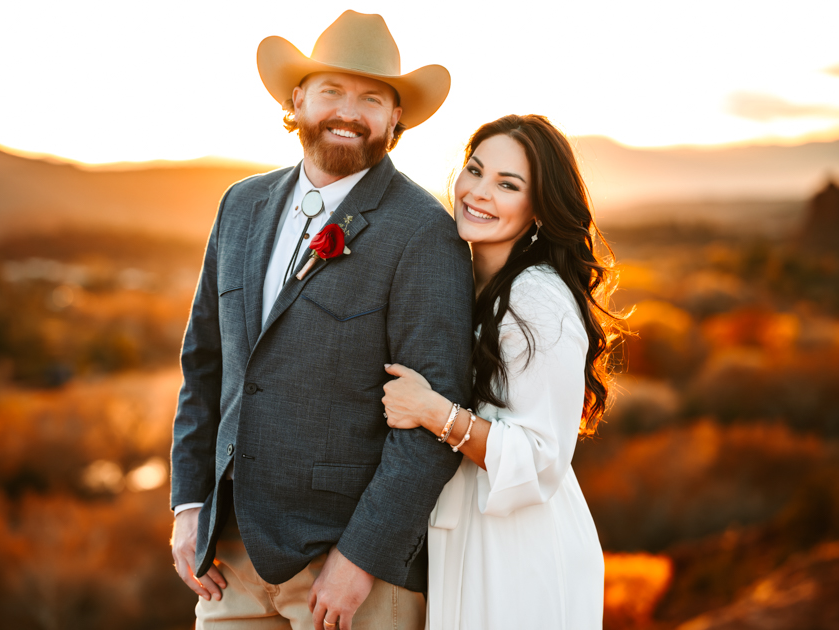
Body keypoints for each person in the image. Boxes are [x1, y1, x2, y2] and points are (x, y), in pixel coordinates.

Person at [169, 11, 474, 630]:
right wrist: (188, 504)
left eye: (371, 98)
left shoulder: (424, 233)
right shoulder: (239, 206)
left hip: (348, 572)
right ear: (298, 98)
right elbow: (205, 366)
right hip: (228, 560)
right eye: (332, 90)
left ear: (395, 119)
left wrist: (361, 557)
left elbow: (432, 417)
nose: (348, 111)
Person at [382, 114, 618, 629]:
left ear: (538, 210)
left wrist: (432, 412)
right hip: (470, 533)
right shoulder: (467, 282)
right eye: (475, 170)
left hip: (521, 551)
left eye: (507, 185)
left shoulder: (537, 299)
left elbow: (540, 456)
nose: (479, 193)